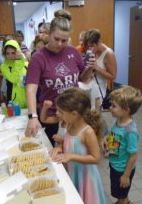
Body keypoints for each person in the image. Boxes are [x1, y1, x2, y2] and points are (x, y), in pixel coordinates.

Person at [25, 9, 95, 144]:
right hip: (52, 115)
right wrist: (32, 116)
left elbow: (82, 79)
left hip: (75, 114)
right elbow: (31, 89)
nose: (60, 44)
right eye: (56, 39)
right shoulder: (38, 58)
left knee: (75, 150)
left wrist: (90, 68)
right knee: (54, 153)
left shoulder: (73, 52)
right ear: (48, 34)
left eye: (64, 40)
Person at [49, 88, 108, 204]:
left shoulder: (87, 132)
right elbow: (69, 142)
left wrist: (70, 156)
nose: (57, 114)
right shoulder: (69, 125)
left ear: (74, 114)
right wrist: (59, 147)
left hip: (85, 177)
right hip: (72, 172)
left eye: (61, 112)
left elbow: (95, 158)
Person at [107, 86, 142, 204]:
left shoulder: (130, 132)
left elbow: (133, 155)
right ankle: (125, 202)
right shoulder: (120, 120)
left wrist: (126, 175)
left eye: (114, 106)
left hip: (122, 169)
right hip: (115, 163)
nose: (110, 108)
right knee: (121, 191)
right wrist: (108, 141)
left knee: (121, 192)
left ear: (126, 110)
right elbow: (116, 136)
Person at [82, 29, 117, 100]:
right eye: (88, 46)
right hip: (87, 88)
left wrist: (97, 68)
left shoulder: (109, 54)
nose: (89, 48)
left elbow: (112, 77)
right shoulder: (90, 51)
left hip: (99, 92)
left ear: (99, 42)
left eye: (91, 46)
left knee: (94, 110)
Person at [0, 39, 28, 108]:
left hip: (28, 100)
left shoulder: (26, 64)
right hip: (13, 102)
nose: (10, 56)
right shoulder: (4, 67)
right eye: (7, 53)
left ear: (18, 52)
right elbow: (14, 79)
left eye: (13, 53)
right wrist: (18, 61)